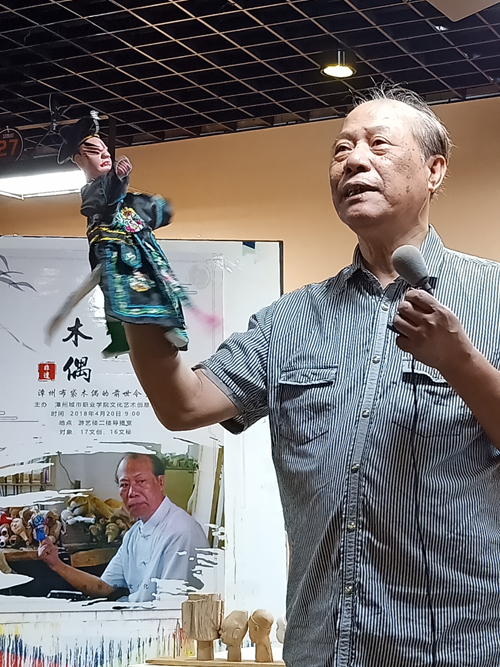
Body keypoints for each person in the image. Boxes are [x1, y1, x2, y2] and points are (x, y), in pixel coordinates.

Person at [123, 86, 500, 666]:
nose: (354, 160)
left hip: (463, 646)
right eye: (341, 149)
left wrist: (461, 363)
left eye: (378, 145)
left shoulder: (494, 296)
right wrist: (136, 294)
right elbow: (183, 403)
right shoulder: (289, 320)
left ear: (434, 170)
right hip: (324, 648)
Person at [56, 116, 190, 357]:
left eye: (105, 151)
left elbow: (131, 205)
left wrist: (154, 205)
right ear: (79, 160)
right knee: (113, 294)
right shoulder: (92, 191)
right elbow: (108, 203)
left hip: (138, 248)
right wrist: (119, 180)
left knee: (158, 281)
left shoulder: (123, 196)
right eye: (95, 152)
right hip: (111, 251)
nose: (104, 155)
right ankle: (119, 338)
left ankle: (173, 326)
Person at [38, 453, 208, 602]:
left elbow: (169, 611)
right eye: (124, 484)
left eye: (141, 481)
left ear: (161, 482)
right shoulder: (134, 534)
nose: (132, 492)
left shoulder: (181, 533)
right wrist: (56, 564)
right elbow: (103, 587)